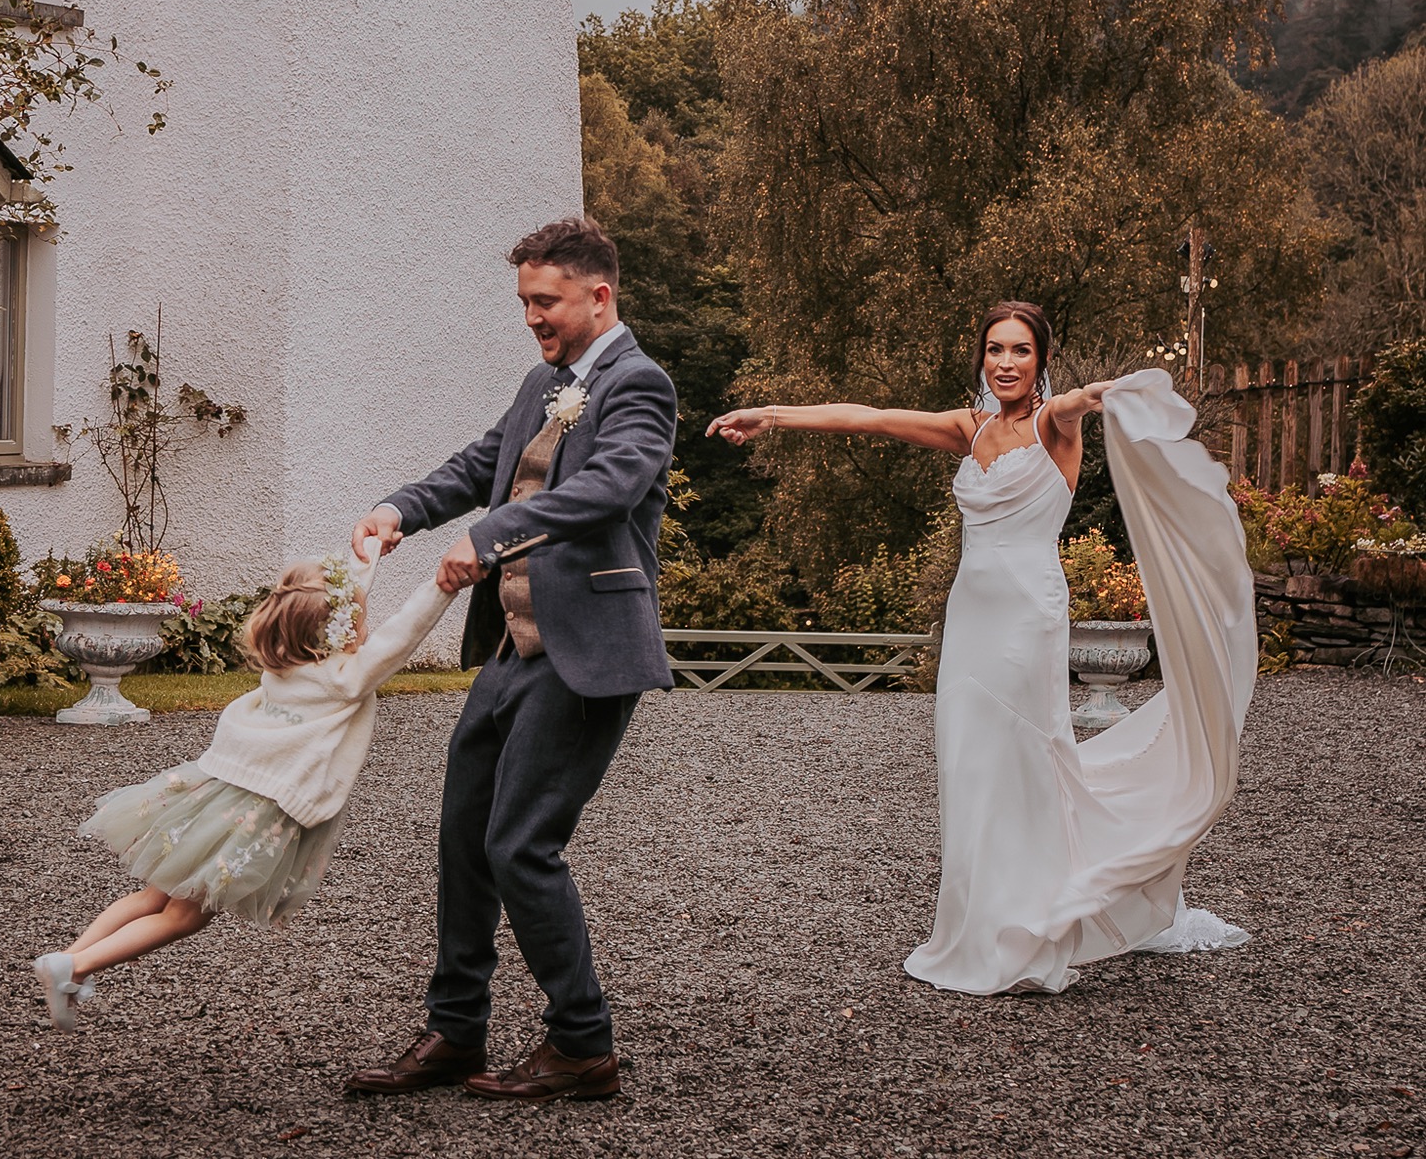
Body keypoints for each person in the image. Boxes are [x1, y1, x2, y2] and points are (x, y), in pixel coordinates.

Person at [709, 300, 1256, 996]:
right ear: (981, 359)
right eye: (994, 349)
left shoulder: (1053, 426)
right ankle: (980, 923)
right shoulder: (969, 430)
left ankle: (1031, 927)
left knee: (1023, 757)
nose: (1004, 362)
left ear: (1040, 362)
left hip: (1027, 618)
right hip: (970, 617)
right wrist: (772, 416)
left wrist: (1101, 394)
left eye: (1019, 351)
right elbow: (869, 417)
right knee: (968, 763)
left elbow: (1078, 404)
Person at [344, 216, 676, 1101]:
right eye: (524, 301)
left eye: (545, 301)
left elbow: (608, 487)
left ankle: (583, 1045)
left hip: (586, 653)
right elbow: (485, 462)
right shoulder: (544, 381)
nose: (531, 316)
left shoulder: (639, 385)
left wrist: (488, 538)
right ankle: (456, 1030)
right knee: (465, 841)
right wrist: (399, 511)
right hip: (510, 646)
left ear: (597, 295)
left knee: (521, 844)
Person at [31, 537, 451, 1027]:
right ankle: (75, 966)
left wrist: (368, 554)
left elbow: (329, 598)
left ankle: (68, 962)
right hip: (253, 813)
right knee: (185, 916)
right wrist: (443, 585)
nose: (366, 624)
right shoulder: (344, 678)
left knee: (152, 897)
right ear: (337, 630)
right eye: (357, 617)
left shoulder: (284, 664)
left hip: (216, 793)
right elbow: (404, 634)